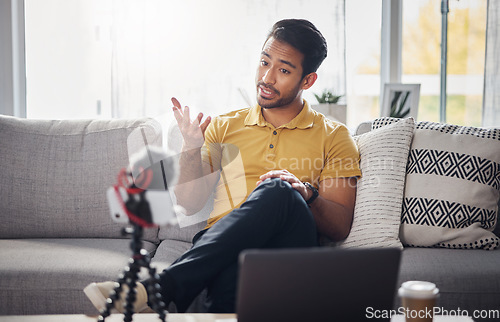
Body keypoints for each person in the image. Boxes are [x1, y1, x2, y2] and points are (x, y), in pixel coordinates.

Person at [85, 18, 361, 314]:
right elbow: (190, 203)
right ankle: (169, 292)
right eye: (264, 62)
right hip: (224, 251)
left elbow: (340, 225)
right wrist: (191, 148)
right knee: (227, 296)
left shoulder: (334, 135)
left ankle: (160, 290)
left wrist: (305, 193)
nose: (266, 77)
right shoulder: (225, 127)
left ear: (307, 81)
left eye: (283, 70)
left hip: (290, 248)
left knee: (279, 188)